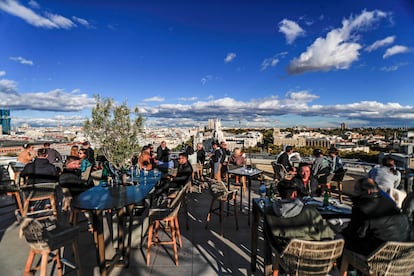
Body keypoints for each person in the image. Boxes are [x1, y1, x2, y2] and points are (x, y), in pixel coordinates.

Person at [342, 178, 410, 255]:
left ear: (368, 191)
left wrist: (342, 232)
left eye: (357, 190)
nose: (354, 192)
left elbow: (356, 235)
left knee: (341, 240)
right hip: (401, 251)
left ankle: (343, 265)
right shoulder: (389, 201)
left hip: (377, 254)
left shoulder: (362, 208)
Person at [264, 180, 334, 252]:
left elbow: (268, 237)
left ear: (279, 193)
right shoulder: (310, 211)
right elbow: (327, 234)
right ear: (294, 194)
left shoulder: (269, 212)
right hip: (314, 253)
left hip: (288, 253)